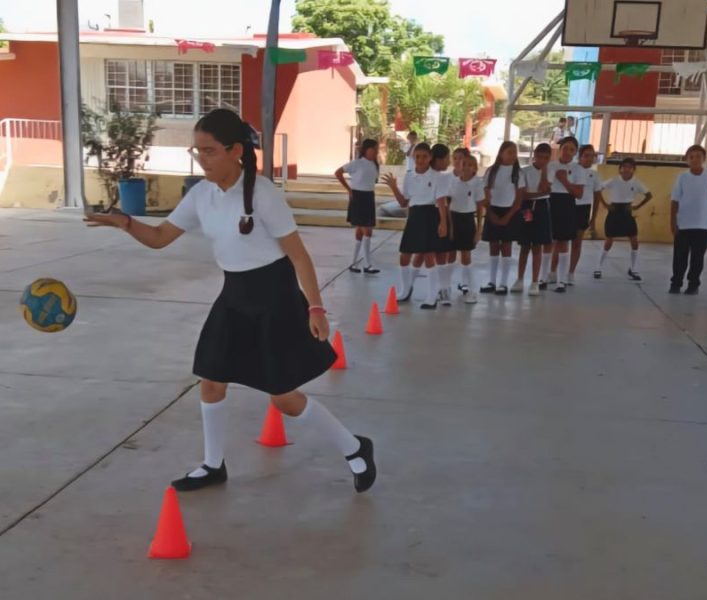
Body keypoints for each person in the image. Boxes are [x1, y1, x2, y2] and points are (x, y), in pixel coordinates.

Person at [83, 109, 376, 494]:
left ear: (235, 150)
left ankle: (355, 447)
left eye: (209, 151)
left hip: (276, 297)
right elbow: (158, 238)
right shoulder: (201, 195)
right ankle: (212, 464)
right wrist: (126, 223)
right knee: (211, 382)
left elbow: (299, 255)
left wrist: (315, 307)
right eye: (197, 151)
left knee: (283, 398)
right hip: (235, 294)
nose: (201, 158)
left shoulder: (263, 194)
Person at [382, 143, 450, 309]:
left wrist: (443, 223)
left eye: (424, 156)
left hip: (430, 216)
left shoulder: (437, 176)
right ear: (413, 157)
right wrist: (393, 187)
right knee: (404, 256)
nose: (420, 160)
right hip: (414, 217)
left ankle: (432, 296)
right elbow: (404, 202)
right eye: (417, 156)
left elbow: (441, 202)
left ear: (430, 158)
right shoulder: (409, 175)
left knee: (428, 257)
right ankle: (405, 290)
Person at [670, 145, 707, 295]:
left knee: (698, 258)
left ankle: (693, 284)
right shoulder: (682, 178)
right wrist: (673, 222)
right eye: (691, 157)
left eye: (698, 156)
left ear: (704, 159)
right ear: (687, 160)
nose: (695, 159)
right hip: (683, 224)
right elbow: (675, 201)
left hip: (702, 225)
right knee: (680, 256)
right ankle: (676, 283)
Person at [595, 158, 652, 281]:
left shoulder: (636, 183)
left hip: (627, 212)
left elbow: (649, 195)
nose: (627, 169)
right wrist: (605, 205)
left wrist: (637, 206)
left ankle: (633, 268)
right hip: (614, 211)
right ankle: (598, 267)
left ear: (633, 170)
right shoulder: (614, 181)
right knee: (609, 241)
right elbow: (598, 189)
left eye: (630, 167)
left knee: (634, 241)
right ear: (620, 169)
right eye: (624, 167)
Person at [480, 141, 525, 296]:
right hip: (493, 209)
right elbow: (485, 193)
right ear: (501, 154)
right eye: (510, 152)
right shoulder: (491, 171)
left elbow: (519, 199)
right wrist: (490, 212)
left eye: (515, 152)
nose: (513, 155)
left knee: (506, 247)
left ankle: (503, 283)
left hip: (510, 211)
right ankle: (491, 281)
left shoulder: (518, 173)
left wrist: (508, 216)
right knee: (493, 246)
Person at [335, 138, 381, 275]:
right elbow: (338, 172)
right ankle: (367, 264)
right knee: (367, 230)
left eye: (376, 149)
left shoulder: (374, 164)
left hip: (368, 197)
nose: (375, 152)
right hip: (358, 197)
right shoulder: (357, 163)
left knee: (361, 232)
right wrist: (349, 190)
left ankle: (354, 263)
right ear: (366, 149)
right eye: (374, 149)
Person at [547, 136, 585, 293]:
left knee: (563, 242)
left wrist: (564, 180)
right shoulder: (550, 166)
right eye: (565, 148)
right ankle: (549, 274)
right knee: (549, 241)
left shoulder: (578, 169)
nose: (567, 152)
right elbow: (545, 186)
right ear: (560, 149)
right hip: (551, 202)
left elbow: (578, 194)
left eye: (571, 149)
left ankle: (562, 279)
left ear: (575, 152)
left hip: (567, 204)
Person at [515, 143, 554, 296]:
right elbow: (524, 194)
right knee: (525, 245)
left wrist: (544, 171)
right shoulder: (524, 171)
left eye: (546, 158)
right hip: (527, 208)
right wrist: (540, 193)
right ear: (534, 155)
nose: (542, 160)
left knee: (537, 246)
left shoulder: (550, 172)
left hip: (542, 208)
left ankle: (535, 281)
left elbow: (545, 187)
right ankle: (519, 279)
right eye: (540, 157)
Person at [448, 154, 486, 304]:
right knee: (450, 255)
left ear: (475, 168)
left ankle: (471, 289)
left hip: (467, 219)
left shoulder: (477, 183)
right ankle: (444, 288)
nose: (466, 167)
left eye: (470, 165)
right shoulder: (453, 182)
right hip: (454, 218)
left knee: (466, 256)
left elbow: (479, 208)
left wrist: (478, 230)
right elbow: (448, 204)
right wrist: (450, 227)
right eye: (464, 164)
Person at [569, 144, 604, 283]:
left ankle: (571, 273)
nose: (589, 159)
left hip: (583, 210)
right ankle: (554, 271)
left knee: (577, 243)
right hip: (569, 207)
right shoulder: (571, 170)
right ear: (580, 156)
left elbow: (597, 197)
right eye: (586, 155)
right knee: (561, 243)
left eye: (592, 156)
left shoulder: (594, 175)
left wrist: (593, 218)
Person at [429, 144, 456, 306]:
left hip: (441, 215)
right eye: (447, 158)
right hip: (435, 215)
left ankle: (443, 288)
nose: (449, 161)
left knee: (441, 254)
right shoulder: (439, 177)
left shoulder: (444, 176)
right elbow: (442, 202)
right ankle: (438, 289)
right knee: (432, 255)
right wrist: (444, 222)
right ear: (439, 159)